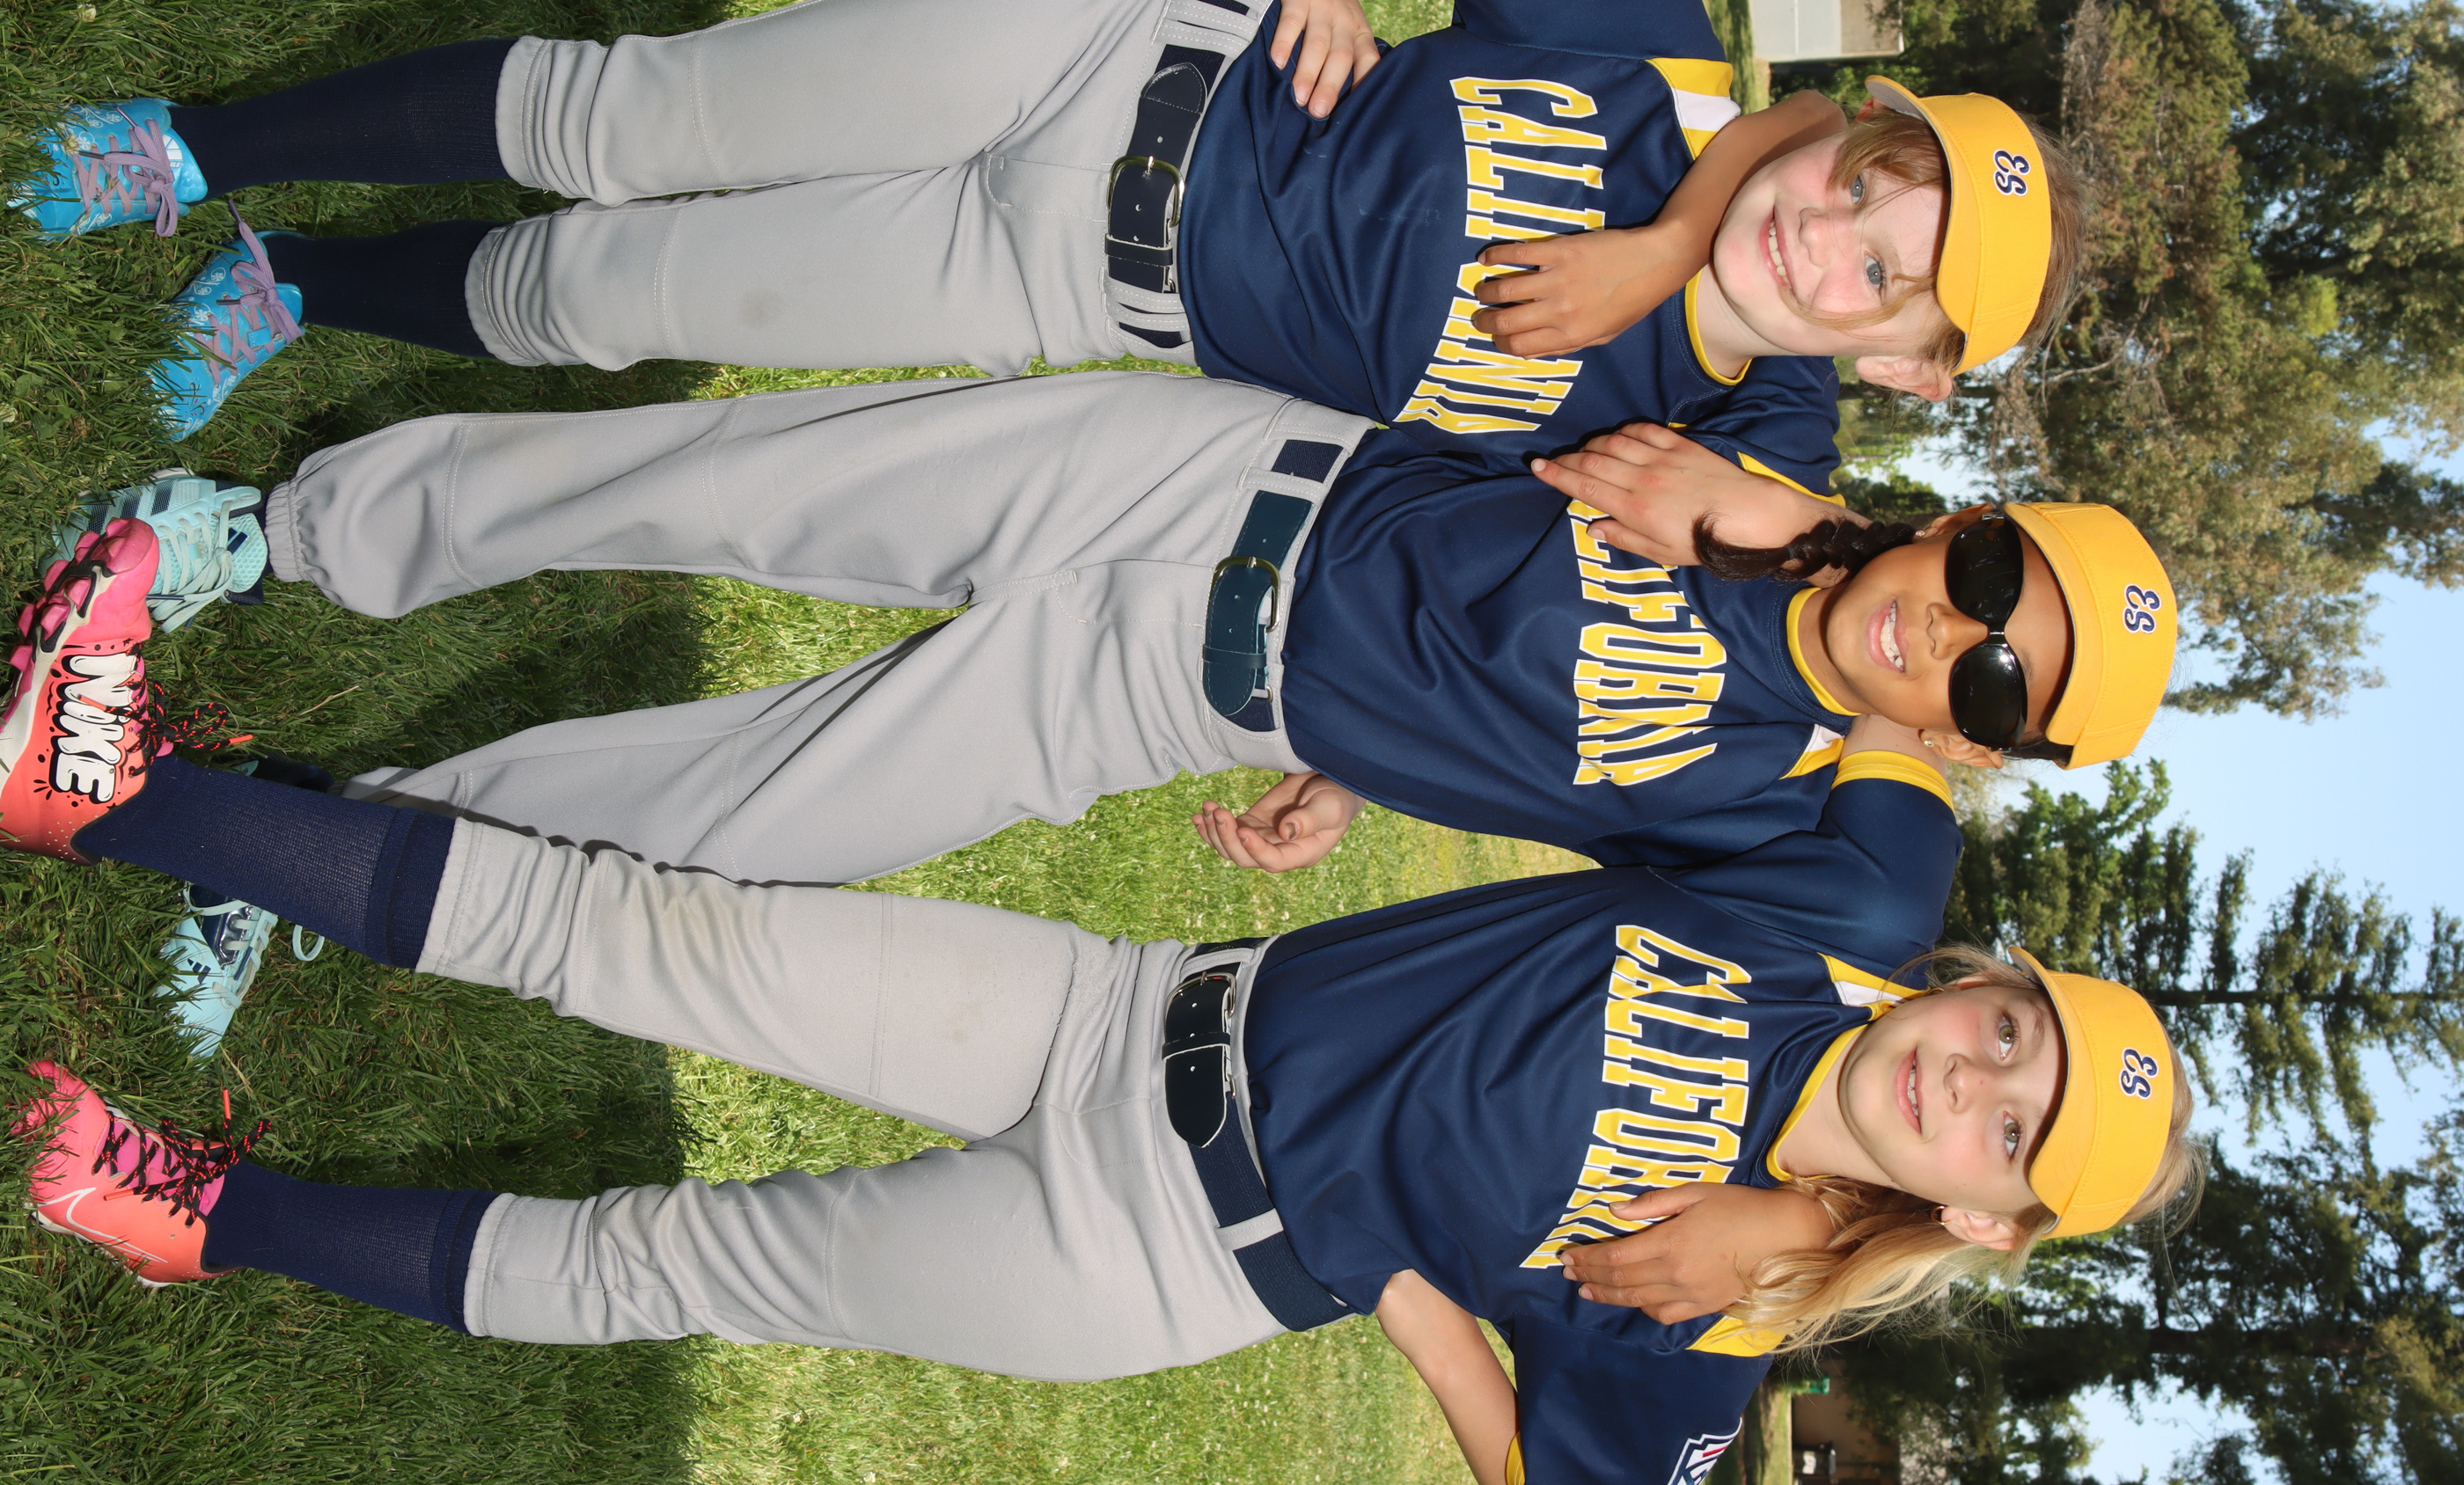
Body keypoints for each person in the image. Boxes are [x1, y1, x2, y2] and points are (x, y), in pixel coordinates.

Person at [3, 541, 2196, 1485]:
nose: (1972, 1081)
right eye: (2013, 1037)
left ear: (1987, 1219)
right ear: (1983, 986)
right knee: (645, 930)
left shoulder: (1726, 1320)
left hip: (1141, 1256)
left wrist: (1408, 1281)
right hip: (1119, 1009)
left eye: (2012, 1136)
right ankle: (104, 793)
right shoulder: (1813, 915)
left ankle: (203, 1217)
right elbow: (1896, 659)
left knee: (664, 1259)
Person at [10, 0, 2073, 472]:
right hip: (1117, 56)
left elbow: (1788, 603)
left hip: (1057, 288)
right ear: (1857, 124)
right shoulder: (1669, 82)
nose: (1828, 234)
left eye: (1879, 276)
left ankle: (296, 286)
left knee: (603, 306)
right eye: (1870, 180)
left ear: (1899, 368)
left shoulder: (1693, 442)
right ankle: (195, 149)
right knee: (623, 122)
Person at [51, 346, 2176, 902]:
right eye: (1990, 580)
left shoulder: (1767, 806)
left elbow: (1870, 914)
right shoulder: (1772, 428)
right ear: (1961, 519)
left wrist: (1350, 766)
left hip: (1156, 694)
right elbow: (1781, 185)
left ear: (1973, 741)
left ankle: (314, 827)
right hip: (1199, 482)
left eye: (1999, 684)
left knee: (723, 829)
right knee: (709, 487)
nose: (1953, 633)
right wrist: (1769, 506)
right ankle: (263, 531)